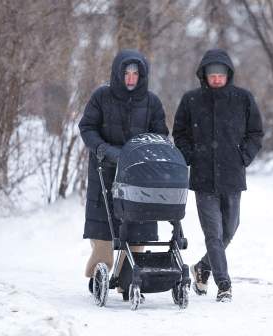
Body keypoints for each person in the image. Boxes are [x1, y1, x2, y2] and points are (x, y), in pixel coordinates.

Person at [172, 49, 264, 302]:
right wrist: (191, 155)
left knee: (229, 230)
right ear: (204, 75)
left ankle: (202, 268)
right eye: (211, 74)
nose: (216, 79)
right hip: (203, 178)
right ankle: (224, 284)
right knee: (213, 234)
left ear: (228, 75)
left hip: (233, 176)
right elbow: (179, 133)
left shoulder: (243, 99)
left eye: (220, 74)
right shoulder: (191, 100)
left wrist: (243, 157)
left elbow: (256, 133)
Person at [78, 49, 169, 295]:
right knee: (104, 225)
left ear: (142, 76)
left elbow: (161, 133)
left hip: (139, 172)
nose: (131, 78)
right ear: (118, 74)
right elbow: (87, 126)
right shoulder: (101, 96)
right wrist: (104, 150)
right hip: (104, 168)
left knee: (137, 222)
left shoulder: (152, 102)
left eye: (135, 74)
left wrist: (143, 151)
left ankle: (128, 274)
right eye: (126, 73)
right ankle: (100, 270)